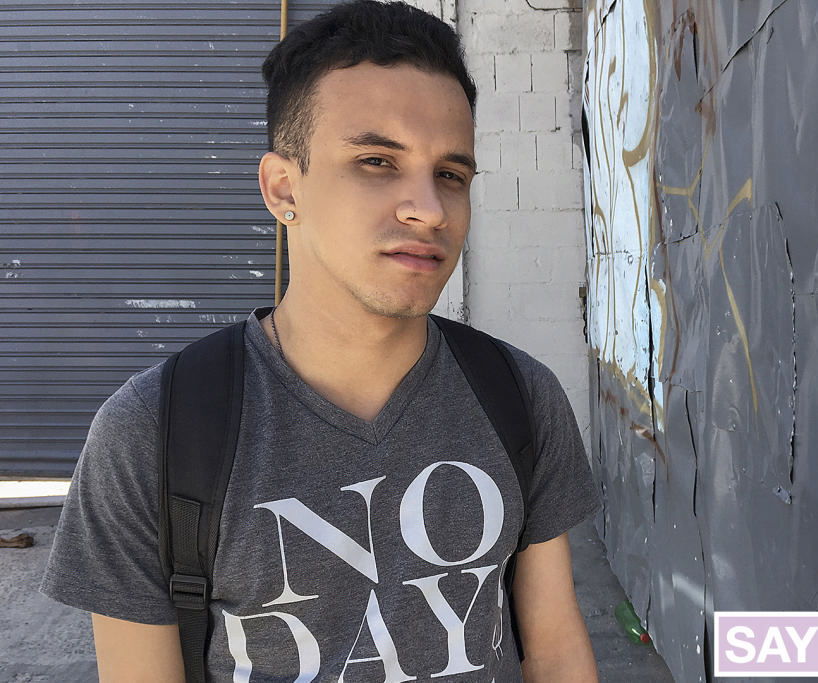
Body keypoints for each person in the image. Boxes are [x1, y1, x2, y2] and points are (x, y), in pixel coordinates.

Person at [41, 1, 601, 681]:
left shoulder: (519, 396)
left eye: (451, 174)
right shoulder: (151, 435)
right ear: (284, 188)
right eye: (376, 161)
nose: (429, 209)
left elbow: (556, 649)